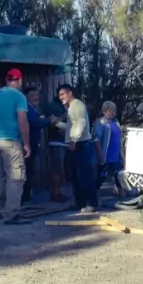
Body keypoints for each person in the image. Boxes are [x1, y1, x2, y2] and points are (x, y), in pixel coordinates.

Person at [0, 68, 31, 225]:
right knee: (17, 177)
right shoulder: (19, 96)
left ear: (7, 80)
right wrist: (27, 144)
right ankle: (11, 214)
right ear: (20, 80)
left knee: (2, 175)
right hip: (10, 141)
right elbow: (23, 121)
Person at [50, 84, 98, 213]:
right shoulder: (71, 107)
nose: (61, 97)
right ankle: (79, 202)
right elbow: (71, 126)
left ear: (70, 93)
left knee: (84, 175)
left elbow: (80, 124)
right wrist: (57, 124)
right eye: (59, 95)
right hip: (76, 144)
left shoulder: (77, 105)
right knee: (74, 175)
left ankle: (91, 203)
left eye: (63, 94)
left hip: (82, 144)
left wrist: (74, 140)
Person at [21, 87, 48, 205]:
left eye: (36, 95)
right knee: (27, 169)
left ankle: (27, 194)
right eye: (32, 95)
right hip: (28, 142)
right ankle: (24, 196)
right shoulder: (27, 108)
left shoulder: (34, 108)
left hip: (33, 142)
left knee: (31, 170)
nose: (35, 98)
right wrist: (48, 121)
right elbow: (34, 122)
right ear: (26, 97)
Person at [93, 100, 125, 197]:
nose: (112, 112)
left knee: (118, 176)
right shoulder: (101, 123)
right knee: (101, 177)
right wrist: (100, 155)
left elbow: (120, 139)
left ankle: (122, 195)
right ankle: (92, 196)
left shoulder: (116, 123)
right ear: (104, 111)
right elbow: (96, 140)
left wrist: (122, 154)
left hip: (116, 155)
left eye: (113, 110)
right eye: (109, 110)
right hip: (106, 155)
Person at [42, 97, 68, 202]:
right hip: (56, 142)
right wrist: (64, 115)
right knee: (57, 170)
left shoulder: (64, 109)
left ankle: (57, 192)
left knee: (61, 171)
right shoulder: (52, 108)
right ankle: (55, 193)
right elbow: (53, 122)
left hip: (64, 143)